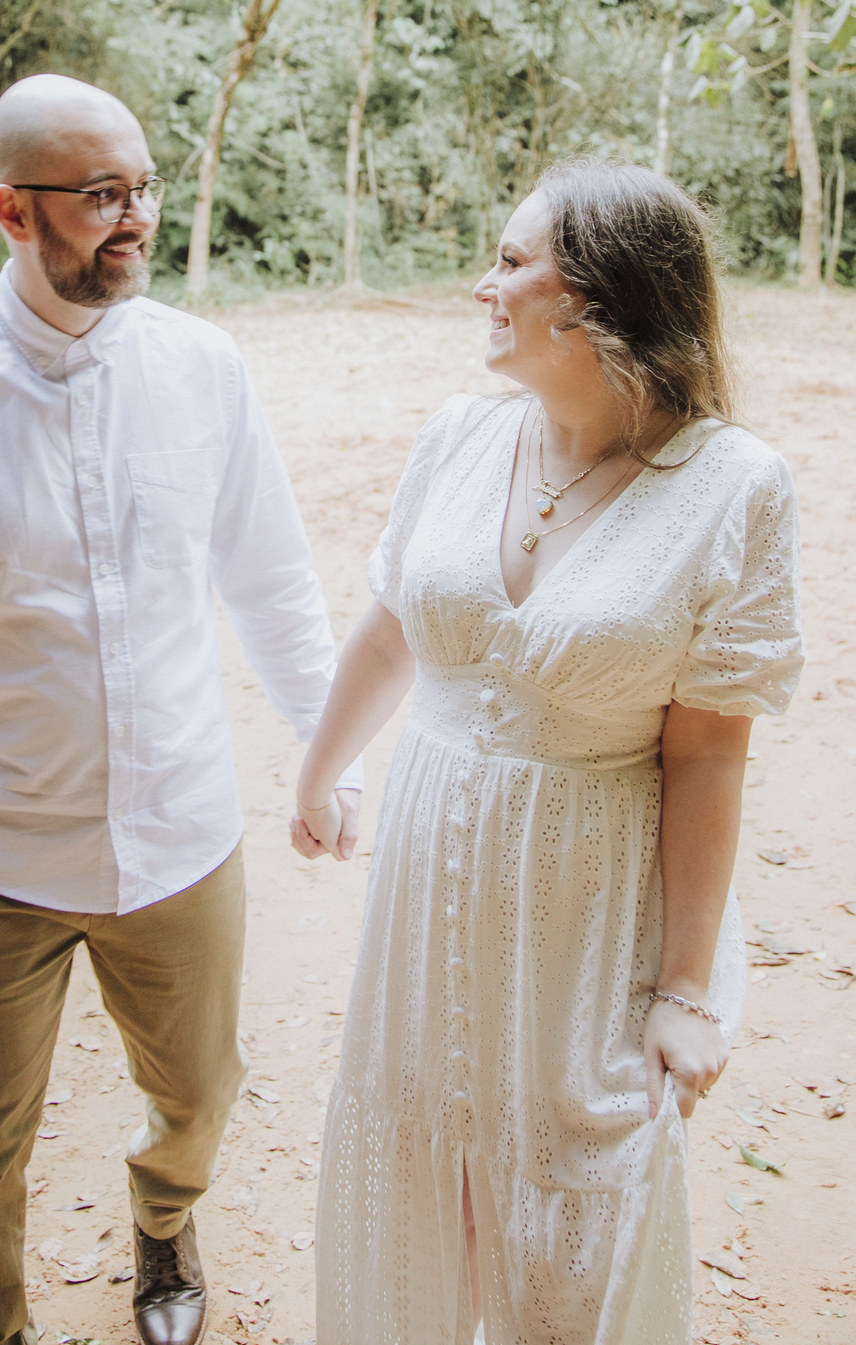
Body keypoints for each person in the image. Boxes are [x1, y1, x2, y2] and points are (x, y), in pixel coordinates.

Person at [0, 72, 361, 1345]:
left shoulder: (204, 368)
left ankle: (164, 1218)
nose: (136, 217)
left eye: (143, 187)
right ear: (13, 210)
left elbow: (272, 580)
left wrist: (328, 759)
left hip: (182, 835)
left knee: (201, 1093)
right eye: (103, 195)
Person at [291, 162, 803, 1345]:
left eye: (514, 261)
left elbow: (708, 755)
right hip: (429, 889)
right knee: (428, 1167)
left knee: (582, 1204)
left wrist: (684, 991)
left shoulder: (734, 487)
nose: (486, 284)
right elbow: (390, 626)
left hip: (589, 905)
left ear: (602, 300)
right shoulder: (463, 436)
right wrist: (321, 770)